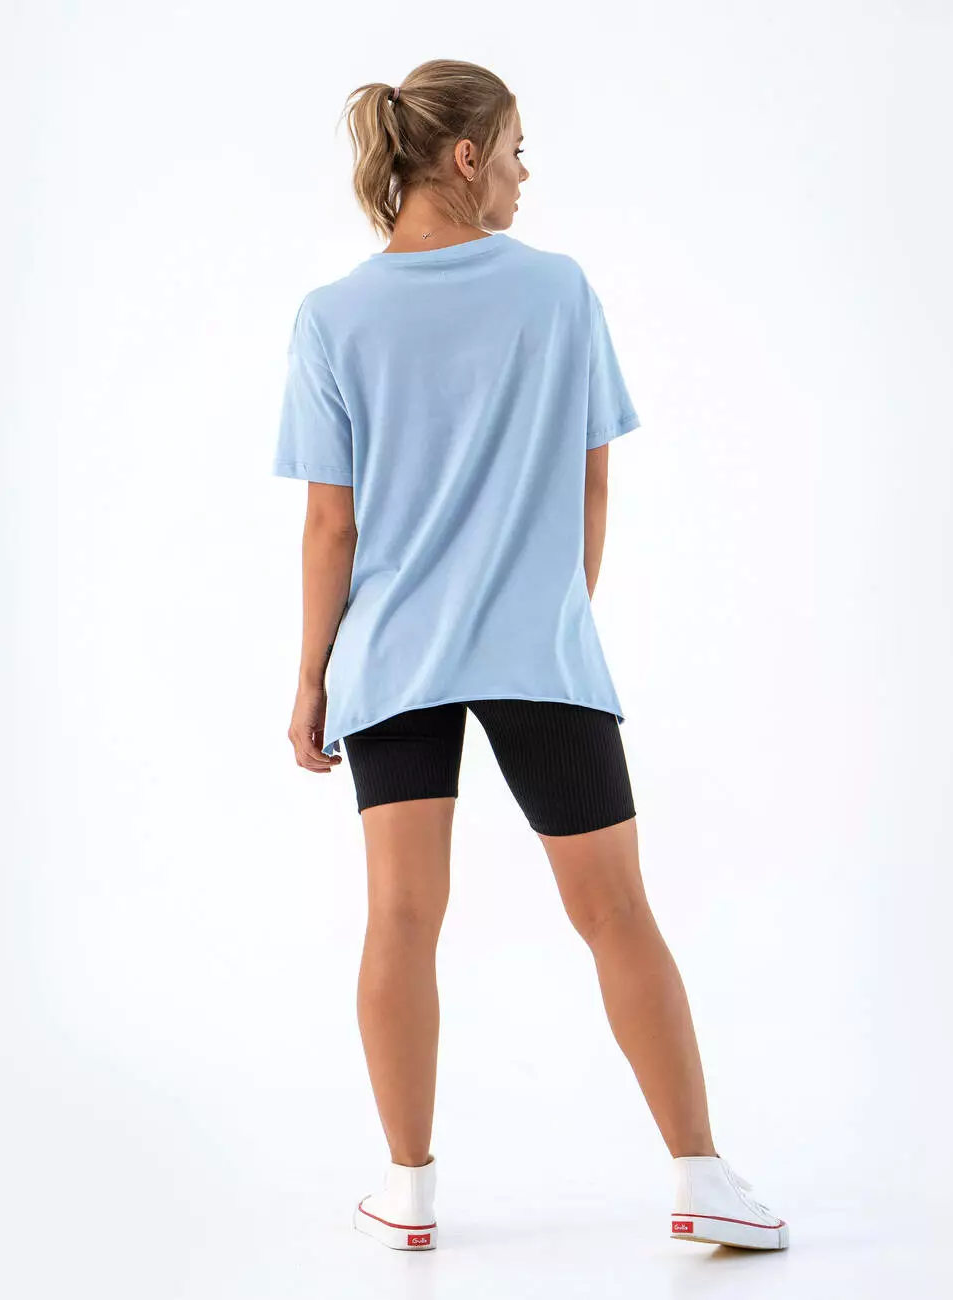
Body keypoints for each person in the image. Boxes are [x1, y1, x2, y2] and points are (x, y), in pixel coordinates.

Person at [272, 58, 790, 1254]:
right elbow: (589, 483)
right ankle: (700, 1173)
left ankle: (407, 1190)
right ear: (466, 156)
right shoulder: (558, 291)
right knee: (615, 911)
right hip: (537, 654)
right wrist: (545, 614)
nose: (521, 174)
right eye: (514, 150)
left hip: (390, 657)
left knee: (401, 918)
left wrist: (311, 676)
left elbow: (330, 527)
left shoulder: (333, 315)